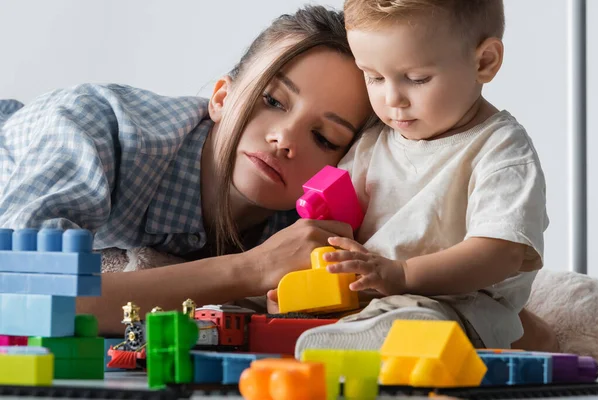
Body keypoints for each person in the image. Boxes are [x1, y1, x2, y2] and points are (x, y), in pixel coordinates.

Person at [0, 5, 376, 335]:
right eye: (273, 100)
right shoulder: (95, 127)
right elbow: (23, 295)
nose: (285, 138)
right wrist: (252, 268)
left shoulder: (301, 227)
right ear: (222, 98)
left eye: (324, 137)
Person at [293, 0, 558, 356]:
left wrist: (402, 275)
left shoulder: (500, 149)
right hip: (366, 295)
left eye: (416, 79)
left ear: (484, 62)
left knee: (418, 318)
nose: (392, 99)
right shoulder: (375, 141)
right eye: (373, 77)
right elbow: (338, 228)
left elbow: (501, 252)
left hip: (458, 306)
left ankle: (364, 343)